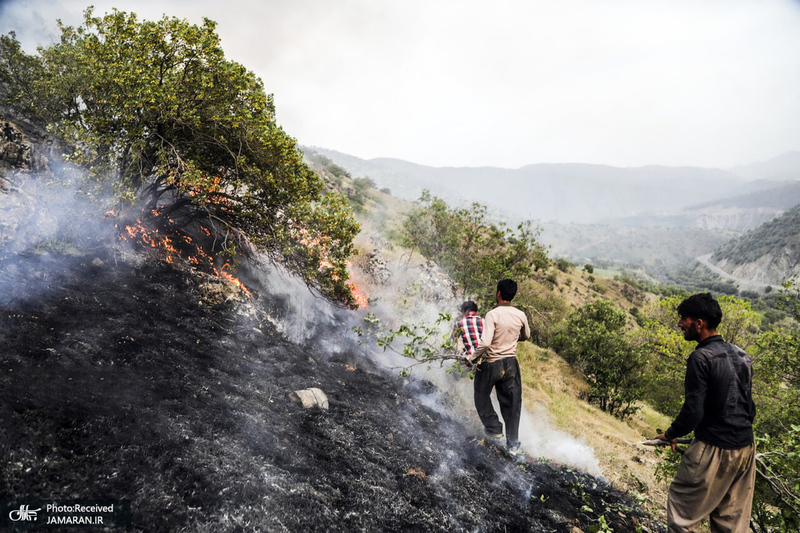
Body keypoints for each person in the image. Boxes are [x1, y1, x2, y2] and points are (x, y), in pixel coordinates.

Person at [654, 293, 756, 533]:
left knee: (682, 516)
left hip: (713, 448)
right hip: (745, 448)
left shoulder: (701, 358)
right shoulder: (743, 356)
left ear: (699, 323)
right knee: (732, 524)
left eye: (684, 319)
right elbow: (749, 408)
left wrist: (670, 434)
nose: (680, 324)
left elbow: (693, 412)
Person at [467, 279, 530, 455]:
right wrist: (510, 337)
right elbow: (526, 335)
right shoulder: (520, 315)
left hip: (491, 363)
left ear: (499, 293)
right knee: (512, 403)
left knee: (481, 395)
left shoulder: (492, 315)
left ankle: (494, 428)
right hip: (511, 364)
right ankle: (513, 444)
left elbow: (486, 342)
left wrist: (472, 358)